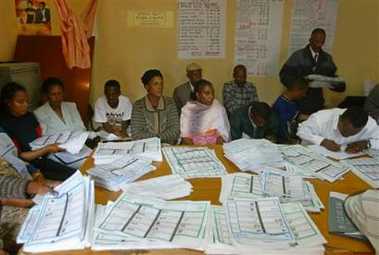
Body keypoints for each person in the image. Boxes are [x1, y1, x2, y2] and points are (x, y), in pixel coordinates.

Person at [0, 82, 76, 181]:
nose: (26, 105)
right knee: (72, 177)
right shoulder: (4, 126)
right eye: (20, 102)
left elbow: (40, 138)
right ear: (8, 102)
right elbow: (19, 157)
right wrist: (46, 149)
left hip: (43, 156)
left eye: (27, 101)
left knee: (77, 172)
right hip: (28, 166)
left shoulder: (29, 116)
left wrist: (52, 144)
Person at [279, 28, 344, 114]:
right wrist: (300, 84)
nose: (319, 44)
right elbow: (284, 75)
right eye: (316, 40)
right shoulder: (298, 56)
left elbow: (333, 78)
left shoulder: (327, 58)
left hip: (316, 103)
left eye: (322, 41)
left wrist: (336, 84)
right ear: (310, 40)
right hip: (297, 101)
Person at [0, 157, 54, 254]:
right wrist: (32, 197)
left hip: (28, 190)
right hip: (11, 210)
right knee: (46, 224)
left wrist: (37, 179)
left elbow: (25, 165)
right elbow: (6, 199)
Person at [297, 107, 379, 152]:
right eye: (344, 130)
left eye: (352, 134)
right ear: (340, 119)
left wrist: (367, 143)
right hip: (314, 156)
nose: (346, 136)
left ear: (363, 127)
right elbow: (302, 131)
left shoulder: (370, 124)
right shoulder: (321, 118)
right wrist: (322, 141)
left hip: (347, 161)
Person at [131, 69, 180, 145]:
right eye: (156, 84)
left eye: (161, 83)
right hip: (146, 147)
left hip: (167, 145)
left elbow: (175, 131)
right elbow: (137, 134)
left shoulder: (170, 103)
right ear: (147, 87)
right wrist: (157, 139)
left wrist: (157, 138)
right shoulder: (139, 106)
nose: (160, 87)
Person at [180, 79, 230, 145]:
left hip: (213, 147)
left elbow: (223, 136)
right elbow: (185, 136)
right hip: (193, 148)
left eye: (213, 93)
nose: (211, 96)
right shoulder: (188, 109)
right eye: (207, 93)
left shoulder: (218, 108)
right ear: (198, 95)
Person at [273, 78, 309, 143]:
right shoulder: (281, 104)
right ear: (296, 90)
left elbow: (297, 117)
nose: (304, 95)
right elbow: (283, 127)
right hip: (284, 141)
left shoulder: (293, 102)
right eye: (303, 93)